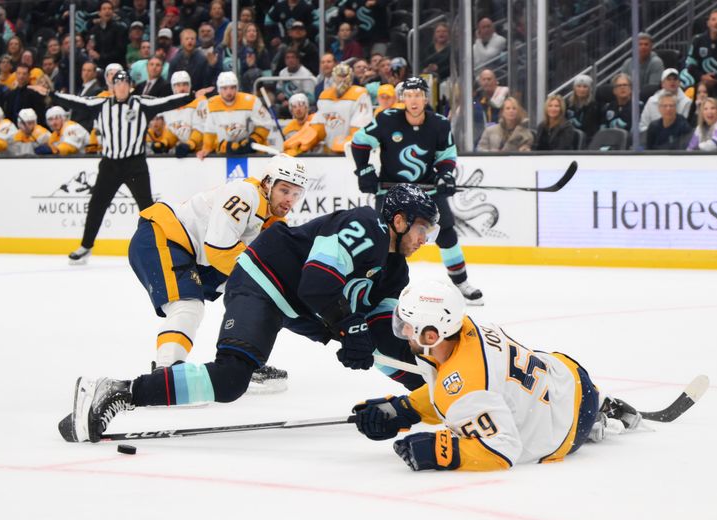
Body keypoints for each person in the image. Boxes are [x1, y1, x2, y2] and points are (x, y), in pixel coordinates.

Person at [61, 184, 440, 443]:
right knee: (230, 380)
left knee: (375, 342)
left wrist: (429, 391)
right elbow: (317, 282)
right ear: (399, 220)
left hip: (295, 304)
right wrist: (349, 326)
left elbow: (384, 341)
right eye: (422, 228)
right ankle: (116, 392)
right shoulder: (366, 226)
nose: (425, 240)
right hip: (262, 277)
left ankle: (122, 391)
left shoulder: (396, 271)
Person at [352, 279, 642, 472]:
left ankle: (596, 423)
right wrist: (404, 410)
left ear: (431, 333)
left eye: (408, 324)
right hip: (565, 374)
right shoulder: (464, 329)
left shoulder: (467, 387)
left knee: (538, 417)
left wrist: (438, 451)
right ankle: (601, 402)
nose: (402, 331)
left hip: (568, 425)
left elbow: (502, 448)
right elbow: (454, 387)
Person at [128, 154, 307, 391]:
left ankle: (242, 358)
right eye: (284, 190)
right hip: (162, 236)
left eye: (296, 194)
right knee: (188, 306)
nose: (289, 199)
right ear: (267, 183)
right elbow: (218, 248)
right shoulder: (245, 194)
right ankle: (165, 374)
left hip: (194, 256)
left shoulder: (272, 221)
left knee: (256, 300)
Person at [29, 70, 194, 265]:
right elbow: (76, 101)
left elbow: (167, 102)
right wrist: (51, 93)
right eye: (118, 83)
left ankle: (161, 246)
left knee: (148, 208)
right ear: (112, 87)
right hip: (110, 164)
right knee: (96, 205)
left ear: (130, 86)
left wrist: (192, 96)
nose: (122, 87)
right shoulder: (102, 104)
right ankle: (86, 246)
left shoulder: (141, 103)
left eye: (125, 83)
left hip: (135, 163)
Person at [351, 77, 484, 304]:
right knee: (385, 239)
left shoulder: (440, 123)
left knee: (446, 232)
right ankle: (377, 287)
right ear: (403, 98)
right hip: (391, 193)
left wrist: (445, 175)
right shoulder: (387, 119)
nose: (413, 100)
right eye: (409, 95)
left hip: (426, 193)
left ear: (425, 98)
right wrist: (364, 171)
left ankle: (461, 282)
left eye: (418, 95)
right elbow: (360, 142)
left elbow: (446, 156)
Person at [284, 63, 372, 154]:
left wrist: (349, 143)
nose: (342, 79)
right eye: (339, 76)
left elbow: (361, 127)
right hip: (330, 152)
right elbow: (319, 126)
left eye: (344, 75)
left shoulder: (360, 94)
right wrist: (302, 142)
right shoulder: (325, 96)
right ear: (333, 77)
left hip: (353, 154)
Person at [198, 71, 273, 156]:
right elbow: (209, 131)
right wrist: (206, 148)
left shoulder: (251, 101)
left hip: (253, 152)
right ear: (219, 89)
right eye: (225, 88)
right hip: (224, 152)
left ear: (237, 88)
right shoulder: (211, 104)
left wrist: (253, 140)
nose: (229, 92)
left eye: (232, 88)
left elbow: (265, 124)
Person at [680, 9, 717, 98]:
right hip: (700, 90)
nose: (716, 23)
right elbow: (690, 65)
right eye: (713, 19)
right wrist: (702, 77)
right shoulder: (697, 41)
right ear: (708, 23)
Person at [161, 70, 209, 157]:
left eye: (185, 84)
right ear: (173, 87)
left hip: (205, 152)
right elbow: (173, 130)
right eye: (178, 85)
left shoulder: (200, 102)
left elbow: (201, 128)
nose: (182, 88)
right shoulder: (168, 108)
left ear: (190, 86)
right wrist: (165, 143)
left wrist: (190, 144)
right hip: (186, 150)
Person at [639, 68, 692, 132]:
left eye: (675, 79)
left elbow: (686, 128)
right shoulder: (652, 101)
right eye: (669, 79)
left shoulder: (687, 102)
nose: (672, 82)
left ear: (679, 83)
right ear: (662, 84)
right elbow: (642, 125)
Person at [565, 74, 599, 143]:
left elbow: (591, 128)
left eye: (585, 87)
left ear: (589, 89)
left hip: (586, 140)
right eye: (579, 86)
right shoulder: (567, 104)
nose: (581, 89)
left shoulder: (594, 106)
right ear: (574, 88)